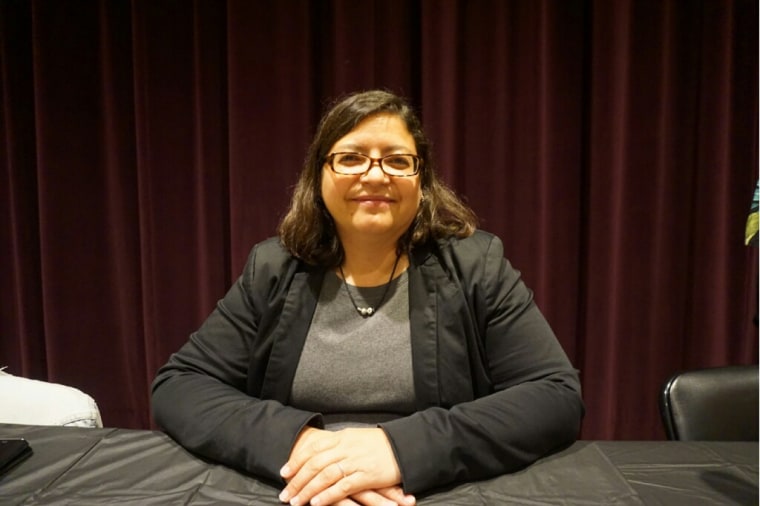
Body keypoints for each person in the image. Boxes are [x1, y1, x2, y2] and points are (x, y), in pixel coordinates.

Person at [151, 89, 584, 506]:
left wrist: (399, 450)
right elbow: (181, 385)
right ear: (318, 176)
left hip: (428, 491)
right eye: (351, 158)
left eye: (397, 161)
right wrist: (298, 443)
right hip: (298, 488)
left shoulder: (475, 265)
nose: (375, 175)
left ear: (422, 180)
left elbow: (554, 395)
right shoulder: (273, 268)